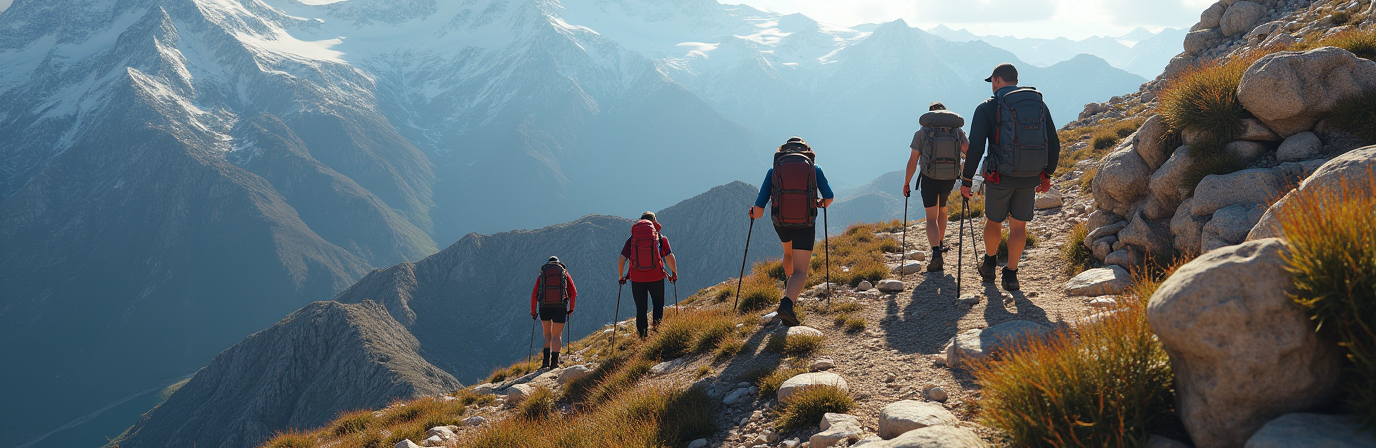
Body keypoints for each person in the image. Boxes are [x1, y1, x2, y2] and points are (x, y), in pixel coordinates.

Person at [959, 63, 1061, 292]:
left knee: (993, 221)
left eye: (992, 82)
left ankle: (990, 263)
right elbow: (1053, 142)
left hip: (999, 177)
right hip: (1030, 176)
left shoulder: (987, 107)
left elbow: (975, 148)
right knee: (1018, 227)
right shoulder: (1038, 104)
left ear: (996, 80)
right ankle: (1012, 275)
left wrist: (967, 181)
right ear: (1015, 79)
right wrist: (1047, 175)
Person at [748, 137, 835, 326]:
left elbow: (759, 210)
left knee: (788, 252)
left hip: (781, 223)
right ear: (807, 152)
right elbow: (829, 197)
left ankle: (789, 288)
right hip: (805, 224)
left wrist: (752, 213)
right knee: (801, 270)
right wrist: (819, 203)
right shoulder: (814, 168)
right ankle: (787, 303)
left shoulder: (774, 170)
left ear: (782, 152)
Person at [903, 102, 969, 272]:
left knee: (931, 218)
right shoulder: (957, 131)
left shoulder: (922, 132)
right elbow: (967, 150)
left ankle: (936, 253)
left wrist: (907, 182)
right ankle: (940, 242)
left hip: (929, 178)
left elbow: (913, 160)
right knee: (943, 209)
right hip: (949, 178)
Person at [617, 212, 678, 339]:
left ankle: (643, 338)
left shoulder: (632, 240)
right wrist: (674, 273)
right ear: (654, 223)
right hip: (657, 277)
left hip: (637, 279)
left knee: (641, 308)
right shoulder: (661, 238)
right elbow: (669, 258)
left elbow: (622, 259)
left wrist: (621, 276)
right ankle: (657, 332)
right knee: (658, 304)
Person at [531, 256, 577, 369]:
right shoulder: (564, 274)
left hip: (544, 307)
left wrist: (533, 312)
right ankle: (554, 363)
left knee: (547, 335)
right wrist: (571, 308)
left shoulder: (542, 275)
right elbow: (574, 293)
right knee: (557, 335)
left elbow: (534, 295)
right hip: (560, 307)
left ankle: (545, 362)